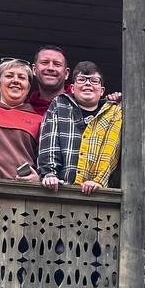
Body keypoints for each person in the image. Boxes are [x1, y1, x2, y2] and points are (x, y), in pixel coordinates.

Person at [38, 61, 121, 193]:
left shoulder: (113, 112)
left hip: (98, 191)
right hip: (61, 188)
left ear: (102, 91)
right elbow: (49, 141)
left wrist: (98, 181)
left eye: (94, 80)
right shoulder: (59, 105)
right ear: (72, 88)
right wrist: (49, 174)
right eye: (81, 79)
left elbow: (112, 149)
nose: (87, 84)